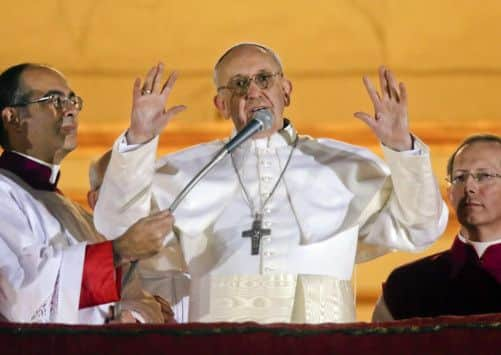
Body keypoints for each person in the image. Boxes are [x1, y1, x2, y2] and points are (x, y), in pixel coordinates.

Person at [94, 43, 448, 323]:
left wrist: (402, 149)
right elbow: (117, 227)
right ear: (220, 103)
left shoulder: (344, 166)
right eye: (239, 84)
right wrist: (139, 140)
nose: (253, 92)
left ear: (286, 90)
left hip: (321, 340)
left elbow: (422, 227)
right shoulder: (187, 171)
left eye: (264, 79)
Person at [0, 63, 174, 324]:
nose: (70, 109)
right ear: (12, 117)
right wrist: (117, 251)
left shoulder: (74, 212)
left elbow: (127, 292)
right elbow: (21, 292)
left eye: (72, 100)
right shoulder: (5, 193)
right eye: (55, 100)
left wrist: (136, 313)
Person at [372, 134, 501, 321]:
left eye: (484, 176)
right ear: (449, 194)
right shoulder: (406, 285)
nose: (469, 187)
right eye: (460, 178)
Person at [88, 150, 190, 323]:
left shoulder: (186, 244)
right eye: (121, 188)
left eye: (143, 188)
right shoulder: (89, 262)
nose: (138, 201)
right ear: (95, 200)